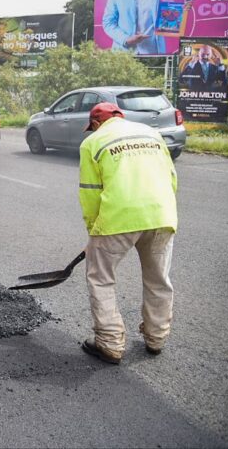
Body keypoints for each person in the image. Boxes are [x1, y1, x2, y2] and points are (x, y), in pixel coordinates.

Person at [77, 102, 178, 364]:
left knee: (100, 277)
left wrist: (94, 231)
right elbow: (172, 178)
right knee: (158, 279)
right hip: (161, 214)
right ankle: (156, 338)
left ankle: (110, 344)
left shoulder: (93, 142)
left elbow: (90, 192)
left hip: (117, 218)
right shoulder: (151, 134)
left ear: (96, 123)